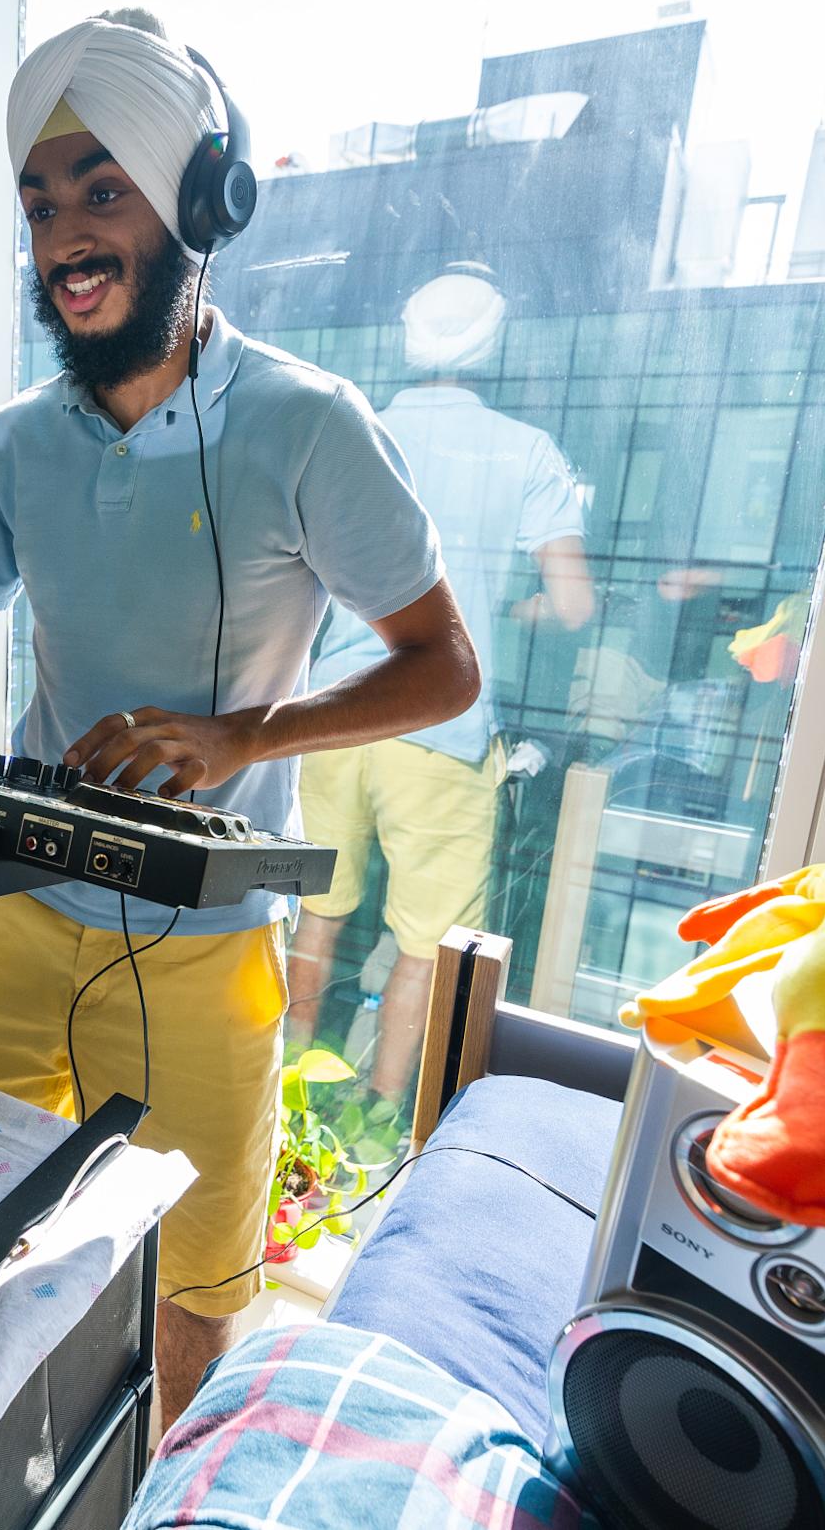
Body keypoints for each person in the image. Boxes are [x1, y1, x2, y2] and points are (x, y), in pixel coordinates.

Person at [0, 12, 473, 1433]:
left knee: (196, 1291)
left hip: (206, 949)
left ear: (200, 206)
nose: (65, 238)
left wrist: (243, 736)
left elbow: (444, 668)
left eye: (103, 191)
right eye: (41, 203)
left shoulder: (309, 422)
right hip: (19, 907)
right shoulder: (20, 439)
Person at [285, 265, 593, 1103]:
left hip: (333, 717)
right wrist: (504, 607)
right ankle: (381, 1118)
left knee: (318, 915)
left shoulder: (357, 432)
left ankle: (285, 1097)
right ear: (496, 342)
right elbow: (572, 603)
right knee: (425, 946)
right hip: (443, 726)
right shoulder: (526, 450)